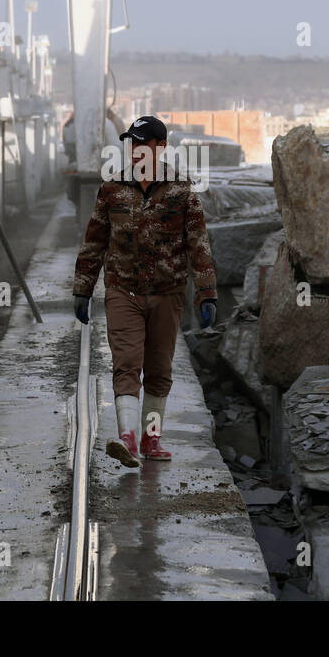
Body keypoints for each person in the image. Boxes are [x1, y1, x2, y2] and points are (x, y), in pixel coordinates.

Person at [71, 115, 217, 467]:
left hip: (168, 294)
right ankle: (128, 440)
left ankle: (152, 440)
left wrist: (206, 292)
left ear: (160, 147)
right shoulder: (111, 189)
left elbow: (199, 244)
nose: (135, 150)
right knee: (125, 364)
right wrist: (83, 288)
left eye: (141, 143)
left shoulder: (182, 191)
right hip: (124, 291)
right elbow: (94, 241)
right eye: (131, 143)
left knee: (158, 369)